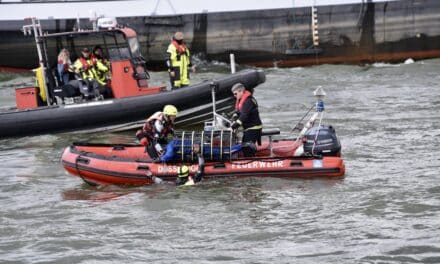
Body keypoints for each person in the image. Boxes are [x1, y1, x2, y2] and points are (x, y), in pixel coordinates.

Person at [230, 83, 263, 156]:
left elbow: (243, 117)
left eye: (235, 94)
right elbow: (238, 111)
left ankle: (251, 161)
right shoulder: (242, 100)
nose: (234, 96)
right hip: (248, 128)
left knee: (247, 149)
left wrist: (232, 127)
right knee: (244, 146)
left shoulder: (248, 101)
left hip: (253, 128)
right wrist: (234, 117)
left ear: (241, 91)